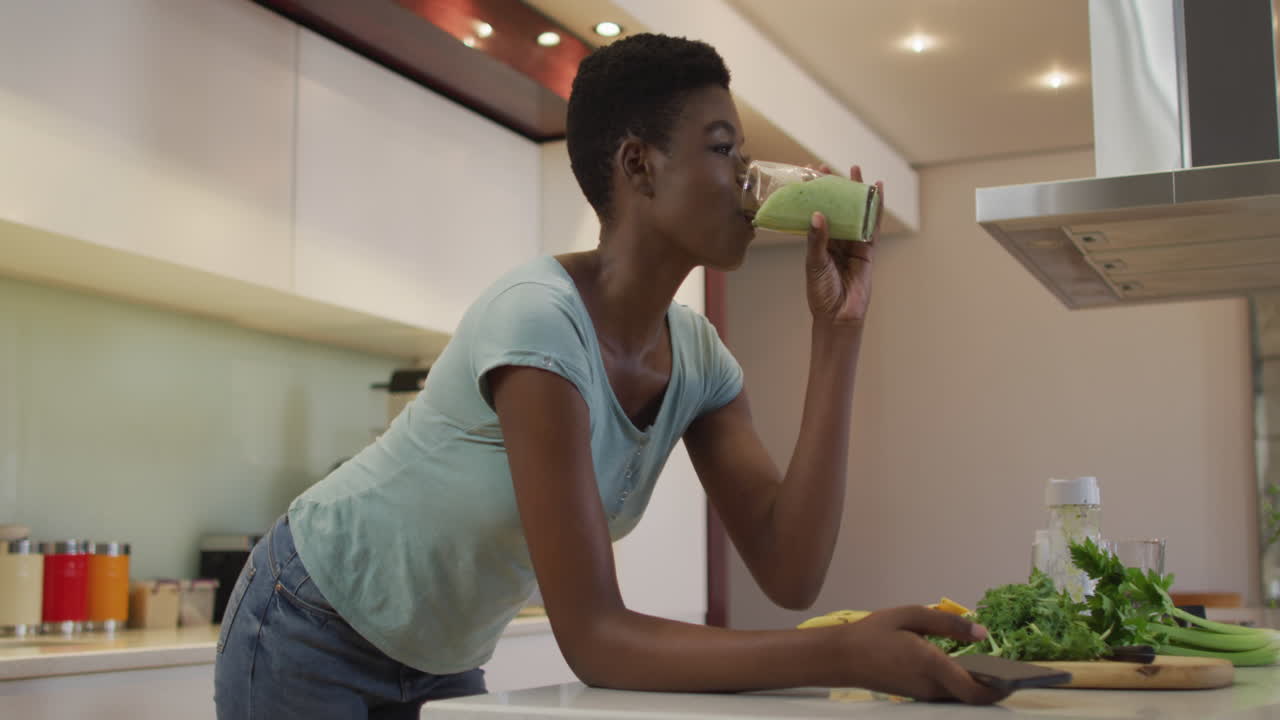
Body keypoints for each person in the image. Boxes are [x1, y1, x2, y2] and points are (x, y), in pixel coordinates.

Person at [213, 33, 1006, 719]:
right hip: (308, 620)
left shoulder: (698, 358)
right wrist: (842, 653)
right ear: (639, 166)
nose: (749, 178)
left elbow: (791, 569)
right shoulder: (538, 320)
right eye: (723, 149)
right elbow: (596, 638)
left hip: (438, 652)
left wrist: (839, 333)